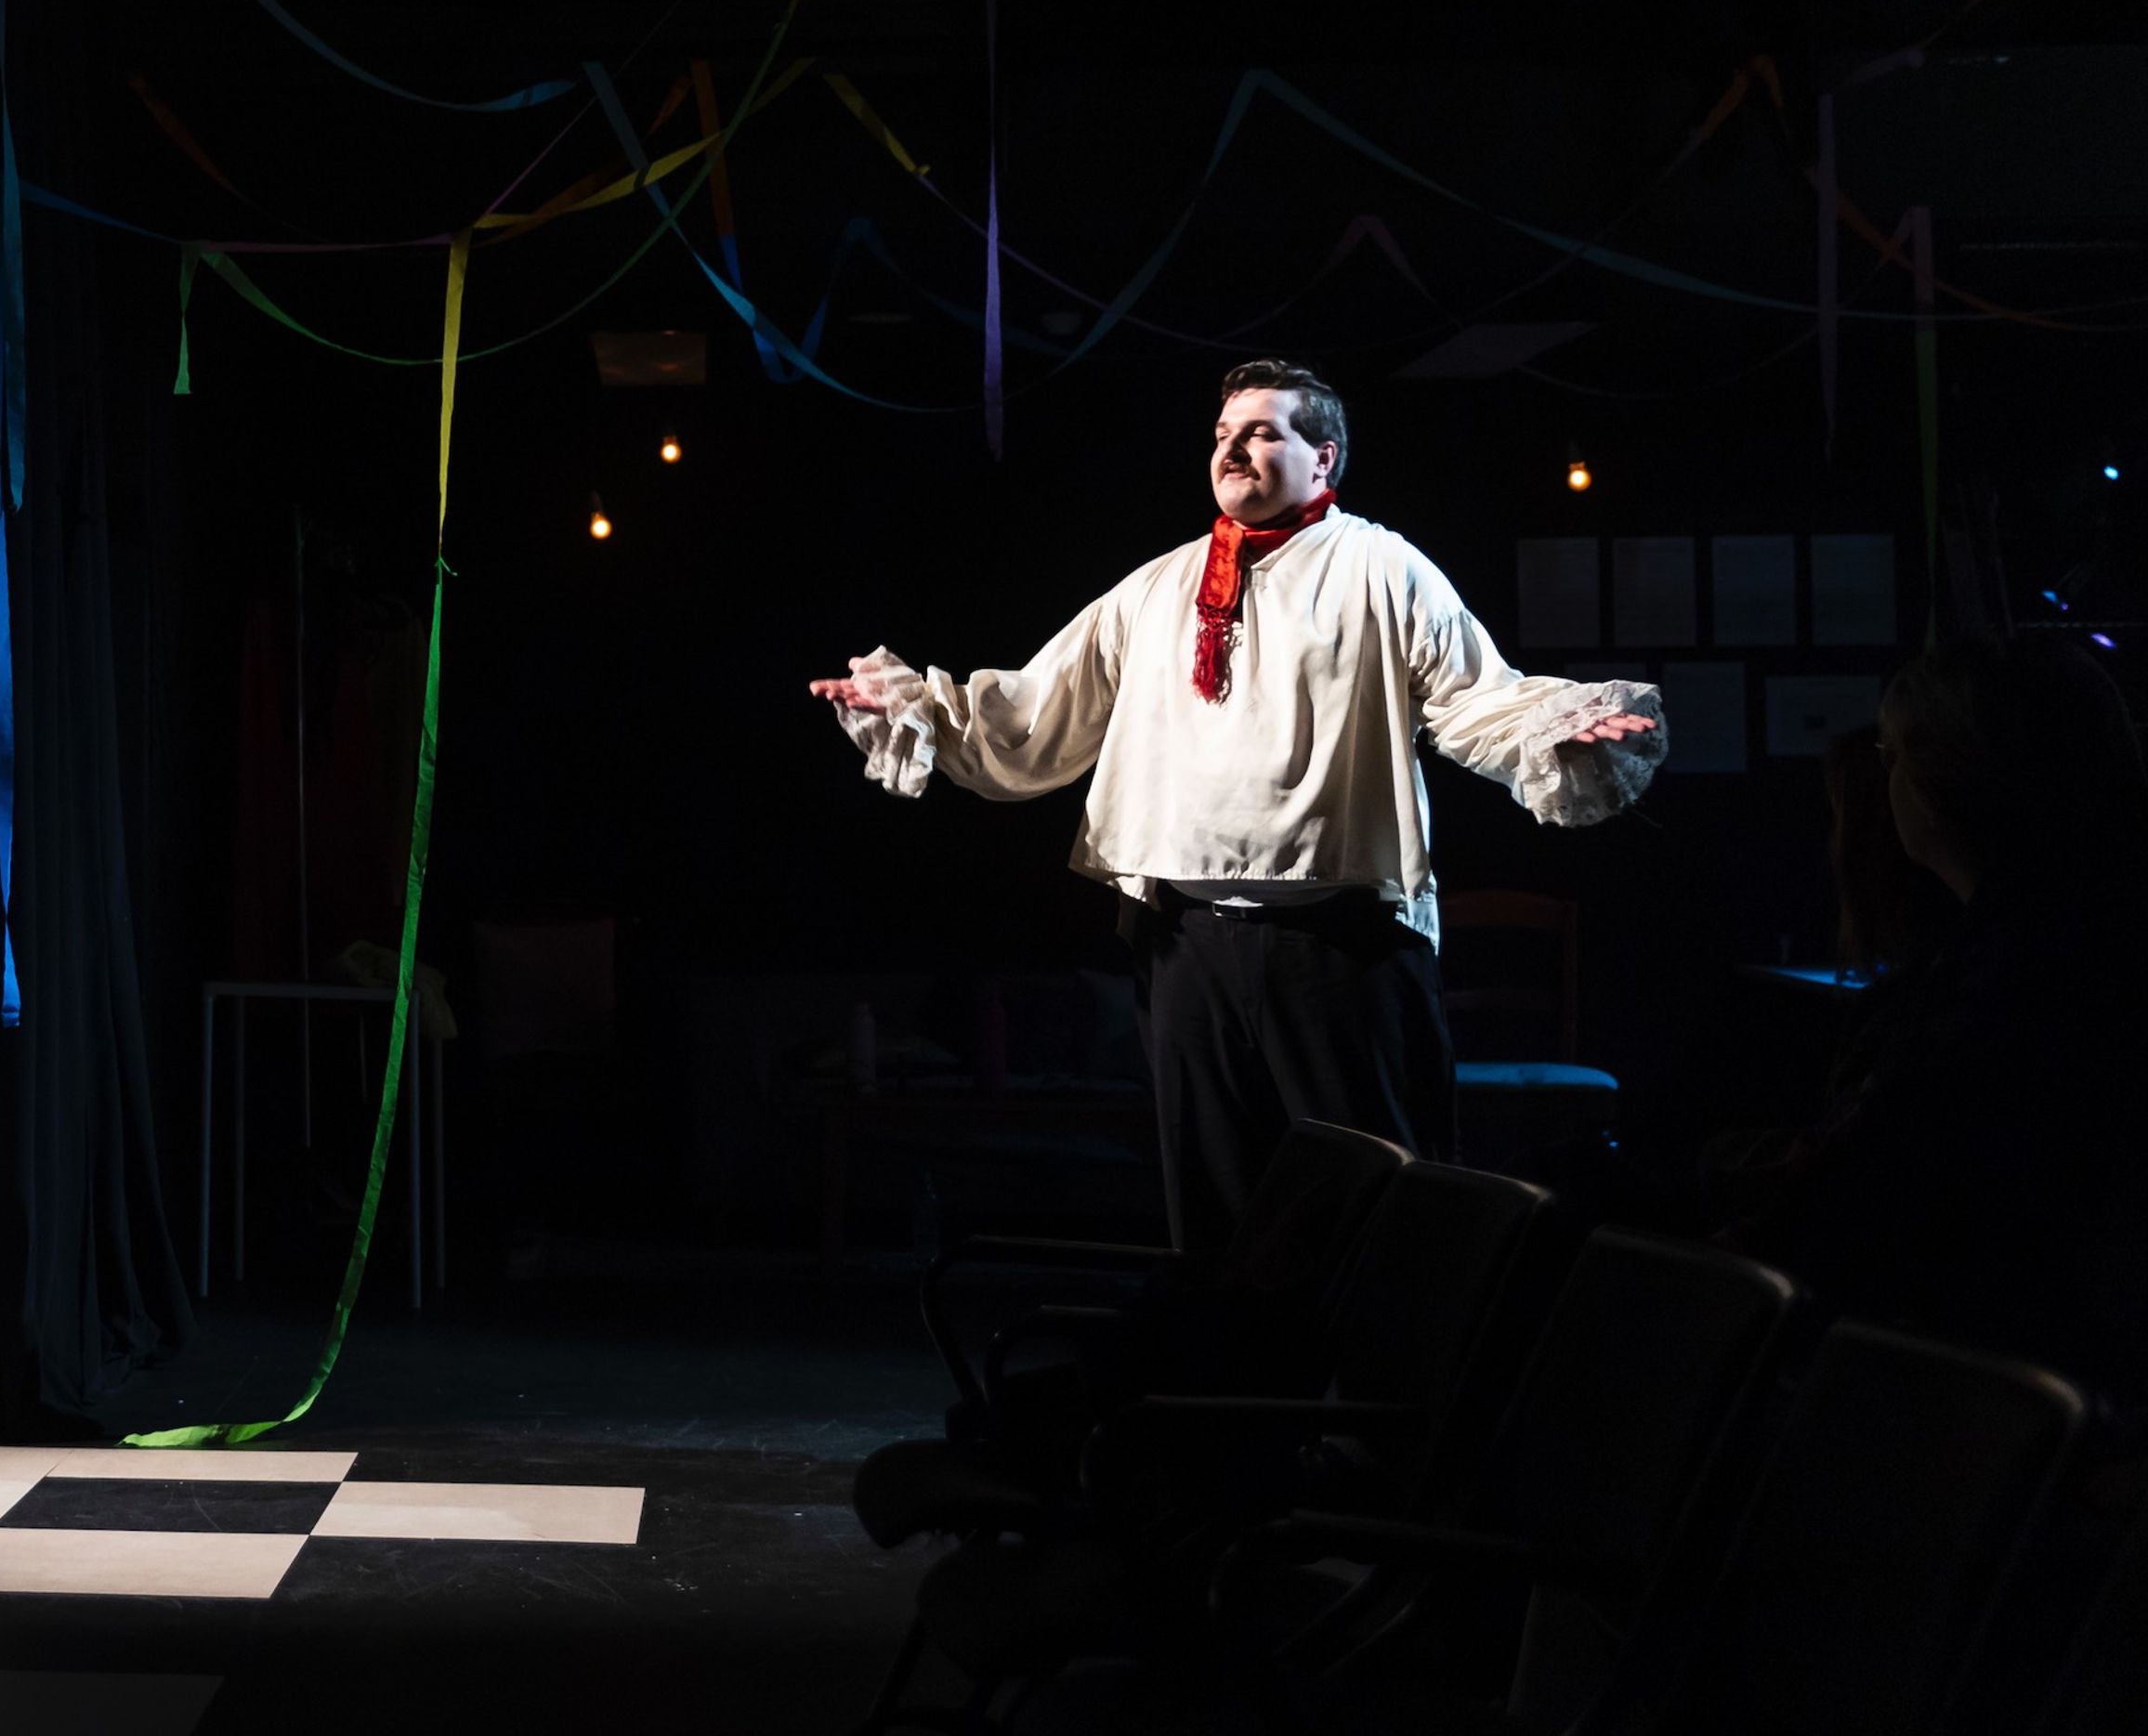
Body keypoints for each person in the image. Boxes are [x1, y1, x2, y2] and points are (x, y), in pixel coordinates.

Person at [809, 359, 1664, 1251]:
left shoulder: (1381, 566)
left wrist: (1562, 724)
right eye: (1223, 435)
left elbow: (1473, 699)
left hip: (1337, 942)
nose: (1234, 448)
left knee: (1375, 1198)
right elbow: (1039, 708)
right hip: (1188, 940)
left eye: (1262, 431)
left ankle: (1382, 1383)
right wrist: (920, 706)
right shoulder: (1159, 586)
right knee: (1218, 1206)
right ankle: (1232, 1381)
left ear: (1323, 458)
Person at [1739, 636, 2148, 1390]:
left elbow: (1863, 1212)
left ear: (1947, 779)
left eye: (1891, 754)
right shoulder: (2075, 947)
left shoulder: (1994, 993)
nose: (1879, 778)